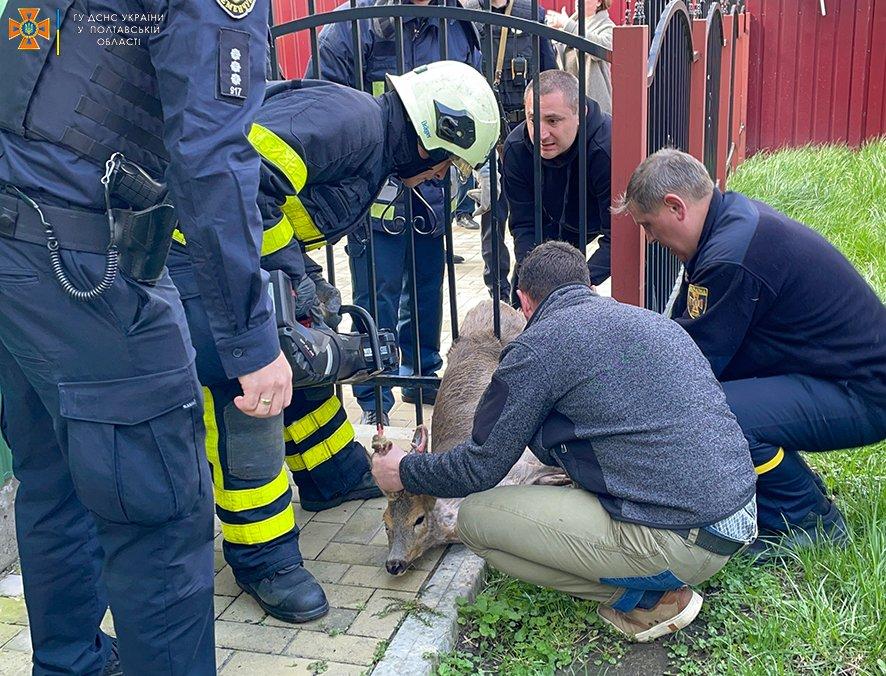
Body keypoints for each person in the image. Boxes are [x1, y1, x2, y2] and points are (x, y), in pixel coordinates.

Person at [0, 0, 281, 672]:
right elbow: (212, 155)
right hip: (79, 256)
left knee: (55, 483)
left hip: (18, 243)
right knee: (162, 513)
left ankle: (71, 664)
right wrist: (252, 339)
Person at [167, 61, 500, 622]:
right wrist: (289, 278)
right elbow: (235, 183)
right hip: (199, 262)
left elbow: (279, 209)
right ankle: (261, 557)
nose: (443, 179)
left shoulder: (366, 146)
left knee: (306, 358)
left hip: (237, 262)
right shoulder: (351, 126)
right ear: (430, 136)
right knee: (247, 397)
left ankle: (329, 475)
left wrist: (304, 286)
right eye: (446, 165)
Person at [371, 241, 757, 641]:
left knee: (475, 520)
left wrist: (402, 469)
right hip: (739, 518)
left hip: (684, 542)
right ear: (588, 286)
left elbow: (479, 466)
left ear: (523, 302)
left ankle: (647, 601)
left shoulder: (538, 349)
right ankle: (648, 571)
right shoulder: (651, 322)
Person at [616, 149, 886, 557]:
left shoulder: (730, 257)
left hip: (865, 393)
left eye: (648, 225)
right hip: (840, 377)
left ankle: (811, 521)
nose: (650, 239)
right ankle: (798, 490)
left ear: (676, 207)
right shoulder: (728, 223)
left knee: (715, 414)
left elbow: (693, 369)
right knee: (715, 403)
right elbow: (682, 337)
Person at [309, 0, 482, 420]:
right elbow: (327, 107)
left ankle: (420, 376)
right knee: (375, 297)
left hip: (434, 187)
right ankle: (374, 396)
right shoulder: (353, 27)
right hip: (373, 192)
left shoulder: (459, 24)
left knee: (427, 288)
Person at [464, 0, 558, 301]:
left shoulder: (532, 14)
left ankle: (526, 287)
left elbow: (549, 73)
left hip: (526, 135)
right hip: (487, 134)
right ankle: (498, 292)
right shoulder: (465, 14)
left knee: (529, 214)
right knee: (493, 213)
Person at [502, 70, 611, 304]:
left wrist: (578, 284)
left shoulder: (606, 148)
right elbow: (524, 225)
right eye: (533, 119)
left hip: (593, 220)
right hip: (545, 226)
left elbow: (618, 236)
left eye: (552, 120)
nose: (541, 134)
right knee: (525, 289)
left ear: (580, 113)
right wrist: (536, 283)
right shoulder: (516, 148)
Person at [546, 0, 615, 115]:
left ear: (598, 2)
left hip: (593, 105)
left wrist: (567, 25)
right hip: (567, 100)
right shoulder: (572, 23)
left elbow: (600, 49)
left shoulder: (607, 26)